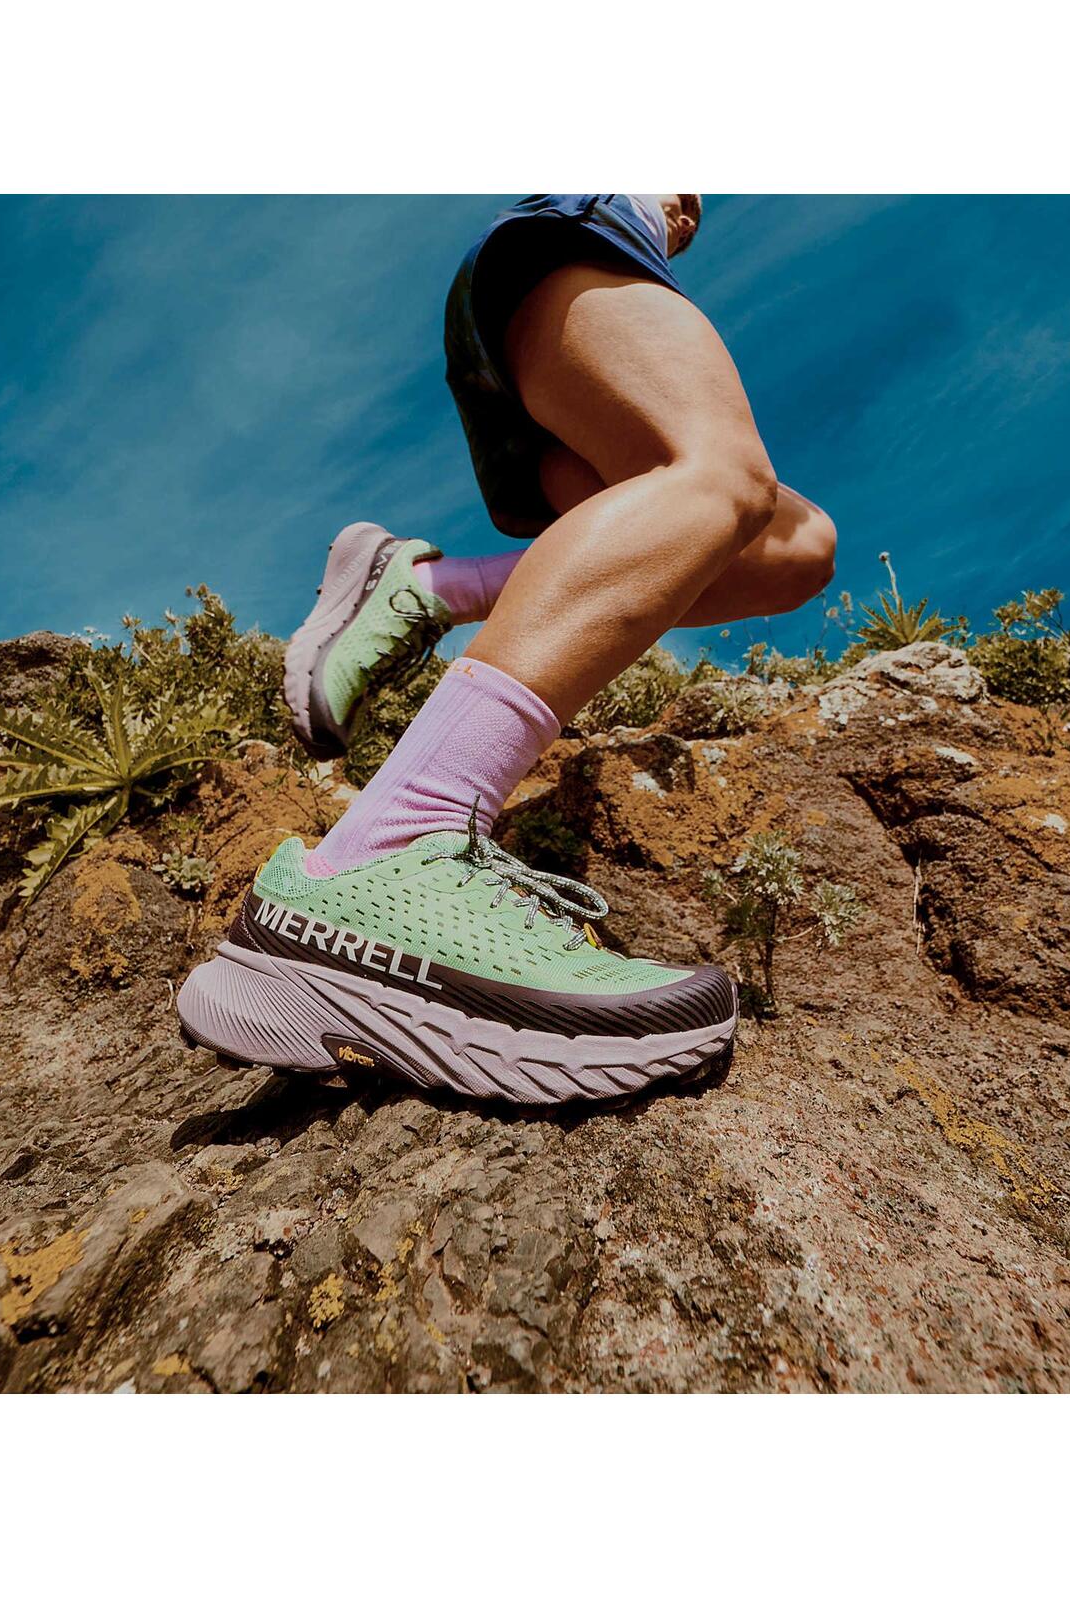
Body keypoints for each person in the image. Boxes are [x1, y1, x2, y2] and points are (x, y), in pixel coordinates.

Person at [178, 195, 836, 1106]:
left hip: (530, 292)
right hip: (562, 242)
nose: (697, 202)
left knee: (788, 552)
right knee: (720, 474)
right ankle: (388, 847)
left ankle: (430, 588)